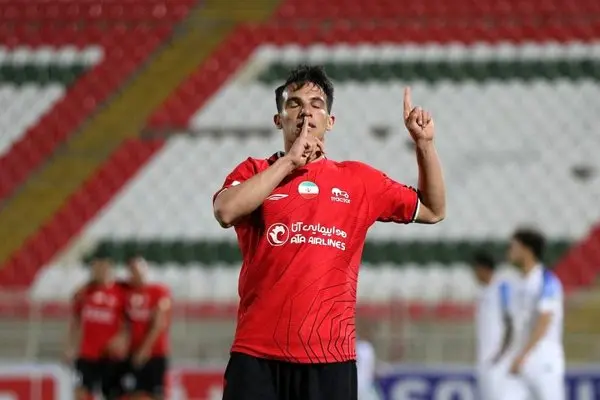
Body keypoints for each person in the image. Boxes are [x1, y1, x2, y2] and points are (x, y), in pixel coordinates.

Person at [213, 64, 446, 400]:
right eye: (294, 103)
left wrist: (424, 145)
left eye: (316, 104)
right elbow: (225, 211)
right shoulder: (255, 171)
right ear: (279, 120)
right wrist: (289, 162)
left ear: (330, 121)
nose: (306, 111)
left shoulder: (358, 180)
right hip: (257, 354)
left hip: (330, 357)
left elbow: (433, 210)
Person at [505, 228, 565, 400]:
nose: (509, 251)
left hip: (543, 359)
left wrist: (523, 355)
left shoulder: (547, 281)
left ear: (527, 249)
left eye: (513, 246)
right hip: (521, 360)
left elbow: (544, 320)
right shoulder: (516, 282)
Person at [64, 256, 129, 400]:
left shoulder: (120, 292)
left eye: (103, 268)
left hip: (110, 353)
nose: (100, 272)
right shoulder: (84, 293)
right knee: (82, 391)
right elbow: (75, 321)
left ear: (110, 270)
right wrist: (70, 347)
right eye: (96, 268)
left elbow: (129, 322)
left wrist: (121, 339)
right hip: (87, 353)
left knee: (113, 392)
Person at [122, 256, 172, 400]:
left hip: (155, 352)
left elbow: (158, 323)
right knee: (135, 394)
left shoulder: (159, 291)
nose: (136, 274)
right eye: (132, 270)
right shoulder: (125, 290)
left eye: (138, 270)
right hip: (132, 352)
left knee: (157, 394)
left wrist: (144, 349)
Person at [471, 251, 517, 400]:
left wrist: (501, 355)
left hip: (499, 360)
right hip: (484, 360)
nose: (474, 275)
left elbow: (511, 324)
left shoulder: (501, 288)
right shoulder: (481, 293)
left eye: (476, 270)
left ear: (484, 269)